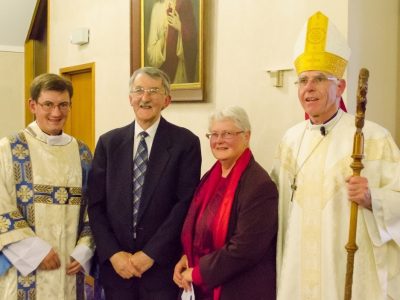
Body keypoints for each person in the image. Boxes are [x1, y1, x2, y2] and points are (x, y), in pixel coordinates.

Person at [271, 11, 400, 300]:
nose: (309, 88)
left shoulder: (373, 138)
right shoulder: (290, 141)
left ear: (340, 87)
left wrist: (372, 198)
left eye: (319, 79)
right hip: (297, 272)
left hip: (346, 273)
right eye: (303, 81)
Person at [88, 66, 201, 299]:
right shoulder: (109, 143)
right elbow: (96, 205)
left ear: (167, 100)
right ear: (130, 98)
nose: (145, 97)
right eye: (139, 90)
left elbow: (184, 205)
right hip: (116, 269)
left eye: (153, 91)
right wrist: (113, 254)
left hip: (161, 269)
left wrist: (150, 254)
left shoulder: (185, 143)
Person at [0, 73, 94, 299]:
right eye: (48, 105)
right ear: (33, 105)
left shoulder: (81, 153)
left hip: (69, 270)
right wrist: (35, 251)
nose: (56, 113)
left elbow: (94, 207)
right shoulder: (10, 149)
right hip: (25, 269)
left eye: (63, 105)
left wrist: (83, 251)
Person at [173, 106, 278, 300]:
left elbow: (244, 250)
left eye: (228, 134)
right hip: (204, 286)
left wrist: (197, 273)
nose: (219, 141)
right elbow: (199, 229)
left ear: (246, 136)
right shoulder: (210, 177)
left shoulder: (259, 185)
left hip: (239, 289)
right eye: (214, 134)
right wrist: (186, 256)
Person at [146, 0, 198, 84]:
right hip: (162, 76)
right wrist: (164, 37)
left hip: (180, 73)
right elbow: (151, 54)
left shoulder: (185, 5)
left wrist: (180, 26)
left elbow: (193, 44)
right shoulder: (157, 9)